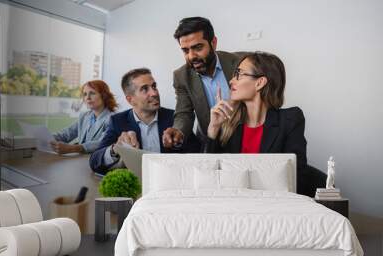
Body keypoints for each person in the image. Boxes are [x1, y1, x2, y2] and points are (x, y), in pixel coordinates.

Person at [205, 51, 308, 192]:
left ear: (260, 83)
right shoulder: (228, 123)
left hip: (274, 205)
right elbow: (209, 176)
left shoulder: (290, 120)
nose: (231, 81)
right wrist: (213, 128)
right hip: (233, 204)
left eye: (239, 74)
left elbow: (296, 178)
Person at [89, 68, 200, 175]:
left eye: (154, 86)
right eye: (145, 89)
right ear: (130, 99)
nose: (154, 93)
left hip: (171, 182)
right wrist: (116, 149)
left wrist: (177, 142)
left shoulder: (175, 118)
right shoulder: (118, 121)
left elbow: (197, 152)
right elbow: (94, 161)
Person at [162, 17, 243, 150]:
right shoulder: (181, 76)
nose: (191, 56)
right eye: (185, 50)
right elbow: (184, 112)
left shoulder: (241, 62)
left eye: (197, 47)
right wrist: (178, 131)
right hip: (211, 141)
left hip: (246, 139)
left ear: (213, 42)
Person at [50, 80, 117, 154]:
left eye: (92, 93)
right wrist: (46, 138)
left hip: (96, 162)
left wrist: (74, 148)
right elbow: (66, 134)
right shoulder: (84, 116)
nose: (88, 98)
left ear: (104, 96)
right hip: (80, 159)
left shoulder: (113, 118)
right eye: (85, 94)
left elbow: (102, 143)